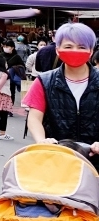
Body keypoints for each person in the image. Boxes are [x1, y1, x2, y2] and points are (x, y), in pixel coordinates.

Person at [25, 23, 99, 168]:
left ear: (91, 51)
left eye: (82, 47)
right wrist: (42, 140)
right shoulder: (44, 81)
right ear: (58, 49)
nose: (75, 51)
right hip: (57, 159)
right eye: (68, 46)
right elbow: (34, 118)